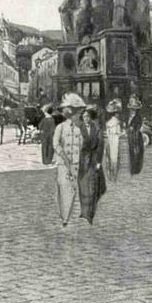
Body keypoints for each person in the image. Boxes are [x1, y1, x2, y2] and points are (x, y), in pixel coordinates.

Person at [52, 93, 86, 227]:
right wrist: (66, 160)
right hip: (63, 165)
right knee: (63, 188)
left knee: (72, 190)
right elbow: (56, 145)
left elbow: (83, 145)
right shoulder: (60, 127)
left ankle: (67, 216)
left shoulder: (80, 128)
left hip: (76, 163)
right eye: (78, 112)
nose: (79, 115)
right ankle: (64, 217)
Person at [78, 108, 106, 225]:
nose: (86, 119)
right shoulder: (79, 129)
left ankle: (90, 212)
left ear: (91, 118)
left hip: (94, 159)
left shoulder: (97, 129)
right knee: (83, 186)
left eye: (88, 117)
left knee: (98, 187)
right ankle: (85, 212)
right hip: (83, 160)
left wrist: (99, 161)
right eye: (84, 117)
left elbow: (100, 145)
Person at [102, 99, 123, 182]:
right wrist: (122, 133)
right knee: (115, 158)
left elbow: (107, 133)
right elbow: (118, 133)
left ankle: (110, 175)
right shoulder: (117, 123)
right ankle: (114, 176)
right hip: (115, 141)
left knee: (109, 158)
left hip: (109, 141)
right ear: (116, 114)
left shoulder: (108, 123)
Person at [126, 95, 144, 175]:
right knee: (131, 152)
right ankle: (133, 168)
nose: (132, 110)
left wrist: (132, 128)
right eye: (131, 109)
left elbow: (137, 126)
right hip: (131, 136)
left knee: (136, 151)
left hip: (136, 135)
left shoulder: (137, 117)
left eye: (134, 109)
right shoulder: (129, 117)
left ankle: (135, 169)